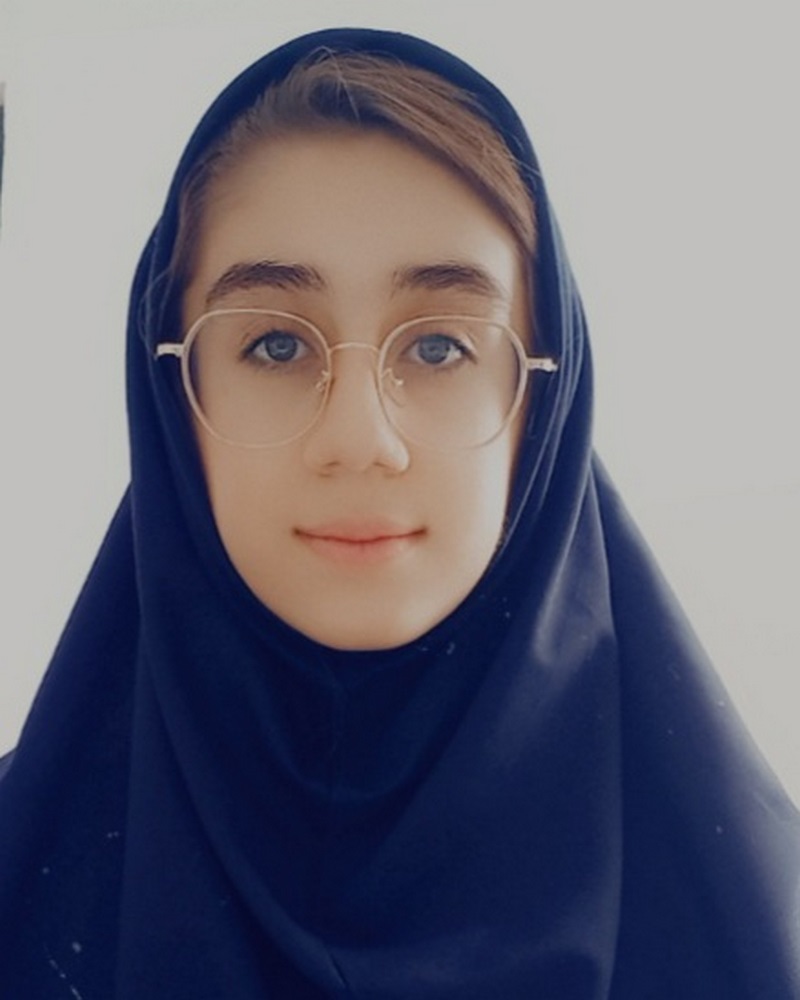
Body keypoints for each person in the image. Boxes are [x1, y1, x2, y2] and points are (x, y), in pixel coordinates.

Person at [0, 26, 797, 999]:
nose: (360, 438)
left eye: (439, 348)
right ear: (173, 390)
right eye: (276, 346)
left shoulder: (747, 921)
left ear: (542, 398)